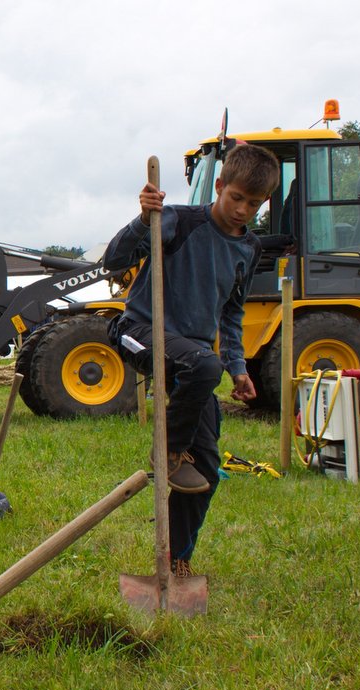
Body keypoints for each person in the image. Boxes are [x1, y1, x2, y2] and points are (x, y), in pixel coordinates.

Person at [105, 142, 279, 577]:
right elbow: (114, 260)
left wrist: (237, 367)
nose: (242, 209)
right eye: (236, 197)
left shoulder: (249, 248)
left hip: (195, 359)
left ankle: (177, 559)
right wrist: (144, 220)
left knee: (205, 470)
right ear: (219, 186)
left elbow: (232, 312)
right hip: (140, 333)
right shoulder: (178, 221)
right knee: (204, 366)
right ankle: (168, 448)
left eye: (253, 204)